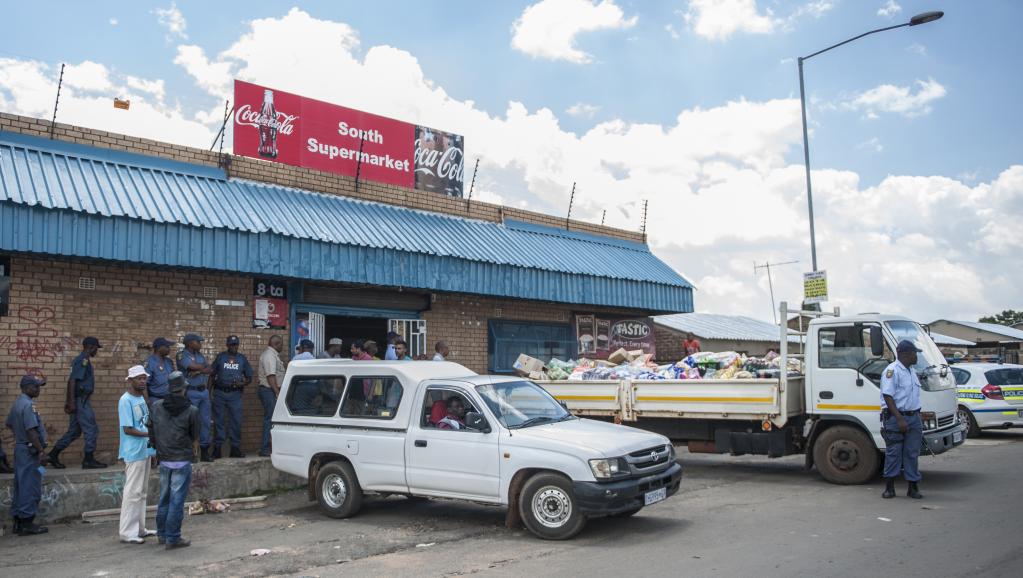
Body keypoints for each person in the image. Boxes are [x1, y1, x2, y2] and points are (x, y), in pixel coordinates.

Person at [150, 371, 198, 550]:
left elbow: (151, 429)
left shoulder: (156, 406)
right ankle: (173, 538)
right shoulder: (192, 410)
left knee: (164, 498)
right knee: (177, 500)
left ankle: (162, 534)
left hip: (164, 459)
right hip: (182, 460)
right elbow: (194, 435)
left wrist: (157, 448)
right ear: (184, 389)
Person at [49, 336, 107, 470]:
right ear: (91, 347)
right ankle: (88, 460)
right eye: (96, 348)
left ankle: (53, 454)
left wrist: (70, 401)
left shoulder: (82, 360)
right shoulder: (83, 360)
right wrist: (71, 402)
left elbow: (72, 381)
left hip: (78, 400)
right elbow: (73, 381)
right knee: (91, 429)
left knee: (74, 431)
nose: (96, 351)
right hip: (81, 401)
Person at [880, 340, 925, 500]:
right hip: (896, 418)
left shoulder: (910, 370)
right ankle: (889, 488)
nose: (916, 356)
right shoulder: (892, 371)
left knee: (912, 453)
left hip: (913, 417)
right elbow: (888, 395)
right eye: (914, 353)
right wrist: (899, 419)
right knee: (894, 453)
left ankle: (913, 487)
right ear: (905, 354)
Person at [6, 375, 50, 536]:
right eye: (36, 387)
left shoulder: (17, 403)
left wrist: (20, 437)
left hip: (21, 448)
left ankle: (18, 521)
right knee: (30, 486)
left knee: (20, 484)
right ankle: (27, 523)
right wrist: (41, 451)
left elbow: (9, 423)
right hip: (30, 451)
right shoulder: (28, 405)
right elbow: (31, 431)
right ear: (26, 388)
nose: (38, 390)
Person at [118, 365, 156, 545]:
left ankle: (140, 528)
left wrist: (152, 447)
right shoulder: (125, 400)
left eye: (144, 378)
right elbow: (128, 429)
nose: (143, 381)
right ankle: (127, 532)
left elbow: (145, 423)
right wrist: (151, 435)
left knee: (141, 492)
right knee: (132, 492)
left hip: (145, 449)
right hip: (133, 451)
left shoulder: (140, 397)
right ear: (130, 380)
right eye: (139, 378)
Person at [210, 336, 253, 459]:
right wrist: (209, 393)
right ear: (227, 345)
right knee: (219, 421)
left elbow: (249, 377)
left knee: (236, 422)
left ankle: (235, 449)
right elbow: (212, 375)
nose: (234, 346)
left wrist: (243, 383)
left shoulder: (242, 359)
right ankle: (217, 449)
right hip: (220, 393)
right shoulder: (221, 357)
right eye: (232, 344)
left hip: (235, 395)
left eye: (236, 344)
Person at [176, 334, 214, 462]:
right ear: (190, 343)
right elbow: (192, 366)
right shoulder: (182, 355)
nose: (200, 343)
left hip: (203, 392)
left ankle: (204, 451)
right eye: (198, 341)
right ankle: (191, 452)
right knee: (191, 422)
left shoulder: (200, 355)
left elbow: (210, 369)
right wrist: (201, 368)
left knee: (205, 422)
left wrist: (199, 371)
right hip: (191, 392)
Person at [257, 335, 285, 457]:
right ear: (276, 344)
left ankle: (270, 446)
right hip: (269, 390)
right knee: (270, 419)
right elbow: (270, 376)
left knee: (272, 419)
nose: (282, 347)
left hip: (271, 390)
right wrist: (277, 392)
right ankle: (265, 448)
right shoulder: (269, 355)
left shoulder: (273, 355)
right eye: (281, 344)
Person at [145, 337, 176, 407]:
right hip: (155, 400)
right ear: (159, 348)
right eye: (167, 347)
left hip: (170, 399)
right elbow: (144, 383)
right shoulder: (149, 363)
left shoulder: (169, 361)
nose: (169, 349)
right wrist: (147, 400)